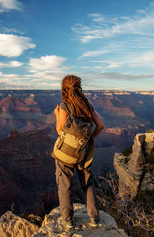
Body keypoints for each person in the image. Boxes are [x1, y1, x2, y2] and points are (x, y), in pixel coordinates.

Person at [53, 74, 104, 228]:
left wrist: (57, 115)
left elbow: (60, 130)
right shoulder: (87, 106)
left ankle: (68, 220)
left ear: (64, 89)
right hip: (84, 152)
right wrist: (89, 139)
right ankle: (94, 218)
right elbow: (100, 125)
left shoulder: (64, 106)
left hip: (65, 153)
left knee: (65, 185)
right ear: (79, 88)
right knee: (87, 184)